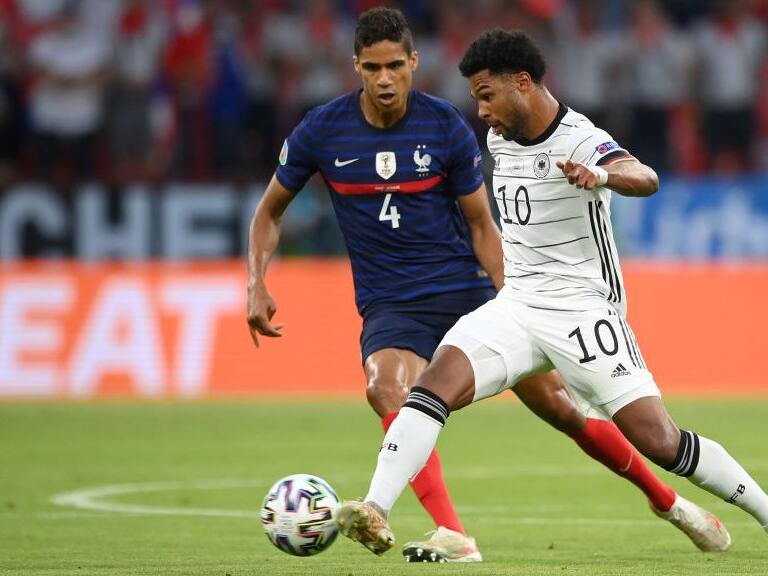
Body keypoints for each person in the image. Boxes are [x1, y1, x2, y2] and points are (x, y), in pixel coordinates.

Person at [247, 9, 730, 563]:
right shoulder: (321, 130)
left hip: (465, 289)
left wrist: (514, 295)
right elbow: (269, 212)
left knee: (565, 411)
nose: (384, 79)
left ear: (413, 63)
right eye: (373, 67)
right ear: (355, 66)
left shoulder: (447, 126)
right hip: (391, 303)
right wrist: (255, 283)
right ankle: (452, 533)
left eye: (395, 66)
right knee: (385, 387)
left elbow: (482, 224)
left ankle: (668, 501)